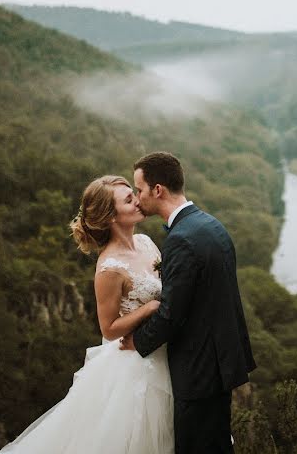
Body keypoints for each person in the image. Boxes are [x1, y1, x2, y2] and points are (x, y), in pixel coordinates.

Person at [0, 175, 174, 453]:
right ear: (111, 217)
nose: (137, 200)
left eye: (133, 194)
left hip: (163, 349)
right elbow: (109, 328)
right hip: (134, 365)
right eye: (128, 199)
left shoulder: (146, 242)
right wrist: (149, 308)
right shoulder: (109, 268)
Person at [120, 151, 255, 454]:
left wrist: (136, 341)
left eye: (139, 190)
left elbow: (171, 313)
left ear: (158, 190)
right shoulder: (211, 225)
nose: (138, 198)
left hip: (198, 370)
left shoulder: (181, 239)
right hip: (221, 360)